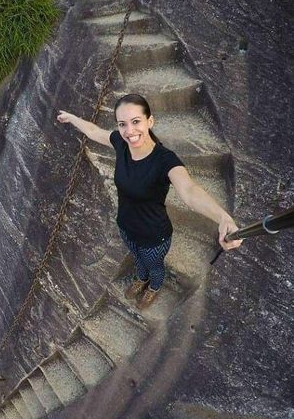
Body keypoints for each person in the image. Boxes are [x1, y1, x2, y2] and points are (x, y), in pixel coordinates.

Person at [57, 94, 242, 309]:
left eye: (136, 122)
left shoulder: (165, 160)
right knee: (137, 258)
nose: (129, 131)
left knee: (154, 266)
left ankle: (154, 286)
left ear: (149, 121)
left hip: (154, 237)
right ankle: (140, 278)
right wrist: (71, 117)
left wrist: (223, 217)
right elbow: (93, 131)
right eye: (122, 124)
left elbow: (190, 191)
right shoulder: (121, 143)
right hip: (126, 227)